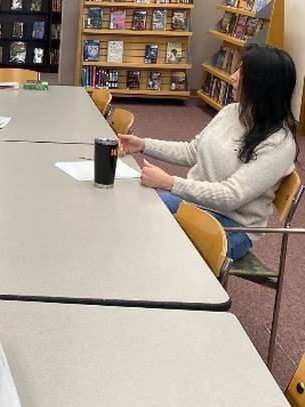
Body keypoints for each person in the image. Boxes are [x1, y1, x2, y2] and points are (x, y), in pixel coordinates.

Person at [118, 45, 298, 260]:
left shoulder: (279, 144)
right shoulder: (232, 112)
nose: (233, 77)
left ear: (261, 85)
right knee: (132, 215)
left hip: (233, 226)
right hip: (196, 204)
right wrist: (144, 144)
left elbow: (232, 196)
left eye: (242, 73)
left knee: (157, 243)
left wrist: (170, 183)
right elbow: (193, 151)